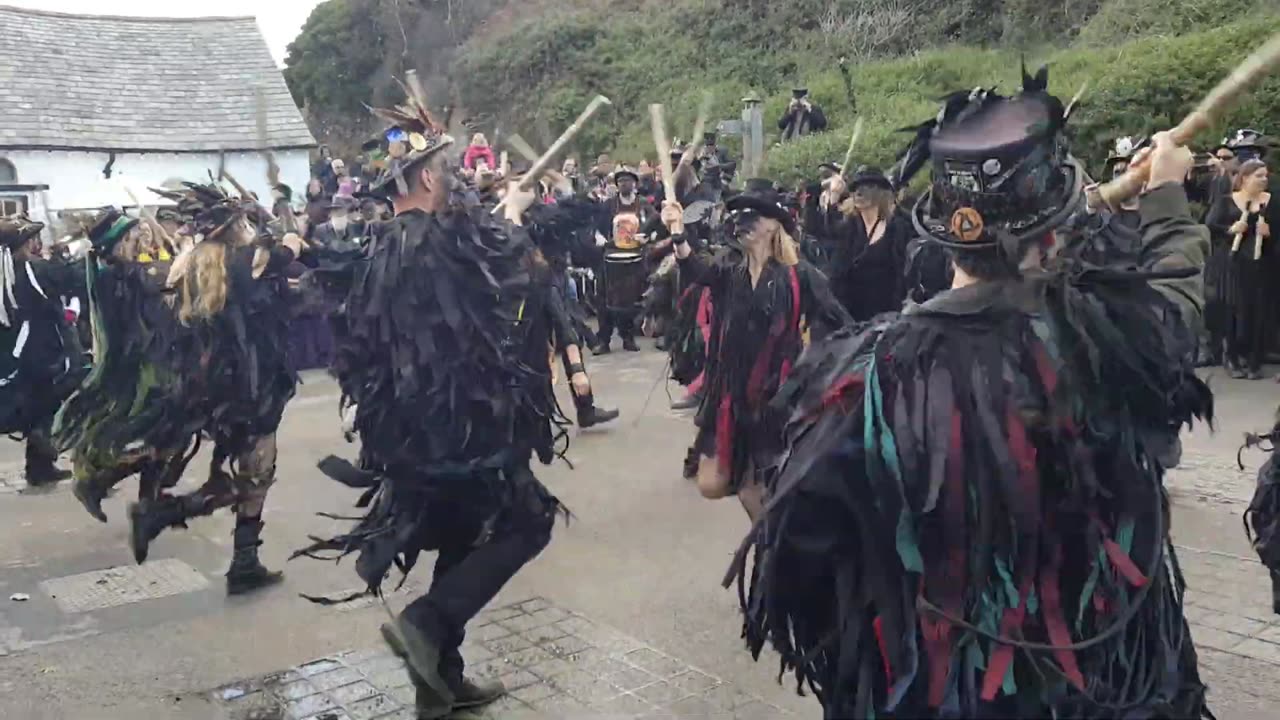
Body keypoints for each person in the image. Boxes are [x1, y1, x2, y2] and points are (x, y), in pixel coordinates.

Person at [728, 70, 1214, 719]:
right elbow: (1175, 302)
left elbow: (799, 560)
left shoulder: (866, 376)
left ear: (943, 232)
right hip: (1105, 694)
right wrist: (1167, 197)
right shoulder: (1114, 346)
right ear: (1057, 231)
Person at [296, 92, 563, 719]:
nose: (457, 181)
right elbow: (518, 284)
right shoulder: (442, 243)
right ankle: (426, 621)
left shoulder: (375, 248)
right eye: (447, 171)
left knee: (457, 537)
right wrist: (517, 217)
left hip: (407, 440)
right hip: (461, 434)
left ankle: (439, 685)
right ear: (422, 178)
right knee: (530, 520)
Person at [57, 192, 302, 595]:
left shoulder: (192, 267)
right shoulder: (245, 263)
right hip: (253, 391)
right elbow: (288, 247)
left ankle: (229, 552)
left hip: (217, 390)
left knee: (223, 465)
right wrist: (285, 230)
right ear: (236, 226)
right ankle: (175, 522)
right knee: (254, 474)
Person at [669, 178, 850, 520]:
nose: (745, 221)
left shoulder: (799, 275)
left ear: (773, 226)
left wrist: (818, 371)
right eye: (740, 215)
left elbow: (840, 322)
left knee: (759, 489)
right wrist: (678, 233)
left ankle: (775, 544)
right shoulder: (730, 270)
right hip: (733, 397)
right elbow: (697, 271)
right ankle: (775, 528)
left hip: (777, 399)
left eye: (756, 215)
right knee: (714, 482)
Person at [0, 215, 85, 487]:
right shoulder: (29, 268)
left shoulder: (10, 267)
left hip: (19, 346)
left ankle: (39, 466)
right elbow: (71, 279)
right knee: (46, 401)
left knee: (39, 403)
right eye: (33, 238)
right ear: (26, 242)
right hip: (38, 346)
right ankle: (41, 448)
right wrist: (88, 249)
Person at [1205, 159, 1278, 379]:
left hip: (1262, 263)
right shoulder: (1227, 201)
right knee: (1235, 310)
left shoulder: (1272, 202)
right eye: (1259, 176)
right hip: (1233, 263)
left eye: (1266, 176)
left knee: (1259, 311)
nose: (1264, 180)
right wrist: (1230, 229)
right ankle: (1233, 358)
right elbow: (1209, 225)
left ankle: (1255, 360)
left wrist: (1270, 233)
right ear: (1244, 178)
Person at [825, 167, 912, 321]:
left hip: (886, 319)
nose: (859, 193)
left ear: (881, 193)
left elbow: (903, 278)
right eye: (856, 189)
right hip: (852, 318)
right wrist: (834, 195)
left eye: (867, 188)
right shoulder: (851, 227)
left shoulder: (897, 229)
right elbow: (830, 230)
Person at [592, 167, 655, 353]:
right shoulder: (609, 205)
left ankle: (628, 338)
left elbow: (655, 224)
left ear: (634, 183)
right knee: (604, 300)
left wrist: (647, 236)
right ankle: (604, 340)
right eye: (620, 181)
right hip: (611, 258)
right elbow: (597, 228)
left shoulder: (643, 204)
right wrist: (601, 240)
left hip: (634, 259)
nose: (623, 184)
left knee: (629, 301)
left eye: (627, 181)